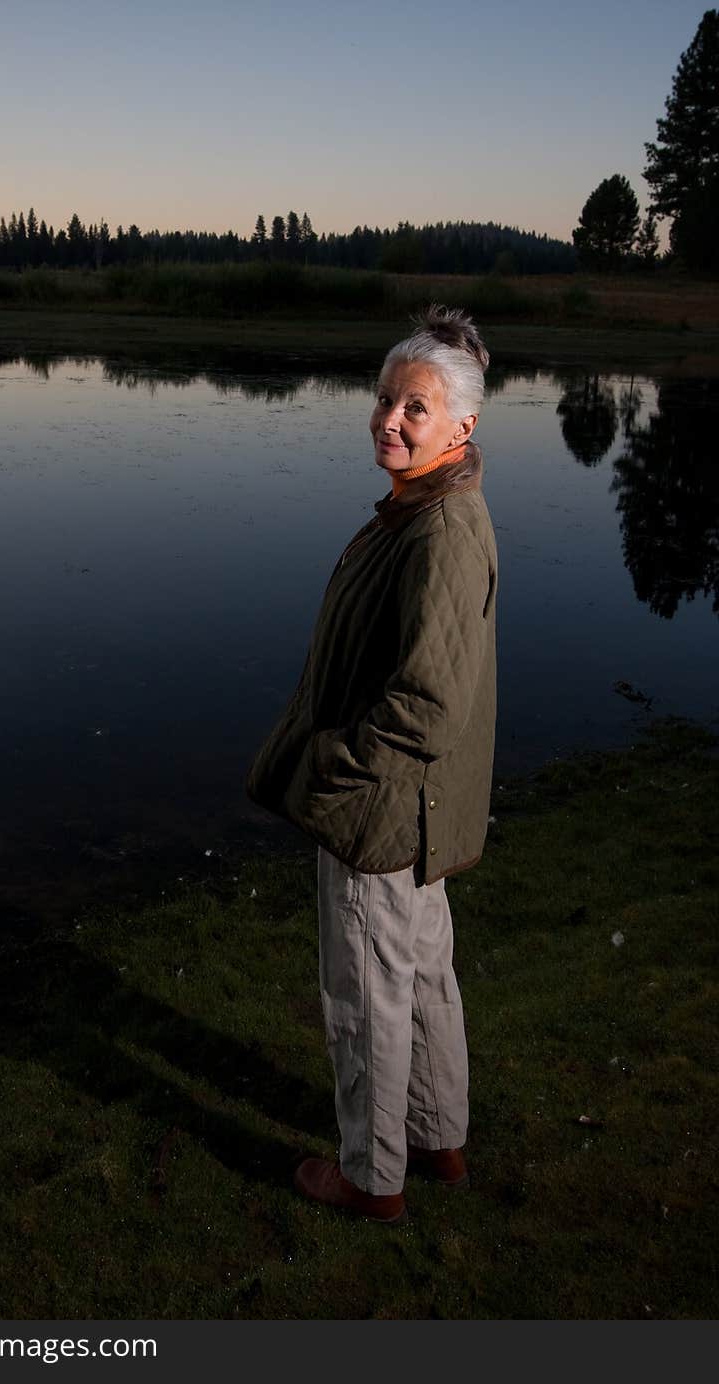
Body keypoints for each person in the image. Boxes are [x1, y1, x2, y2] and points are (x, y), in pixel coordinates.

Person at [246, 304, 497, 1224]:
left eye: (415, 408)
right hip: (416, 808)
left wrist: (334, 769)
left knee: (365, 995)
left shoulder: (440, 531)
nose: (389, 419)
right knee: (423, 975)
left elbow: (429, 703)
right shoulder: (429, 507)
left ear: (463, 426)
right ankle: (438, 1138)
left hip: (380, 813)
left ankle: (370, 1175)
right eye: (385, 398)